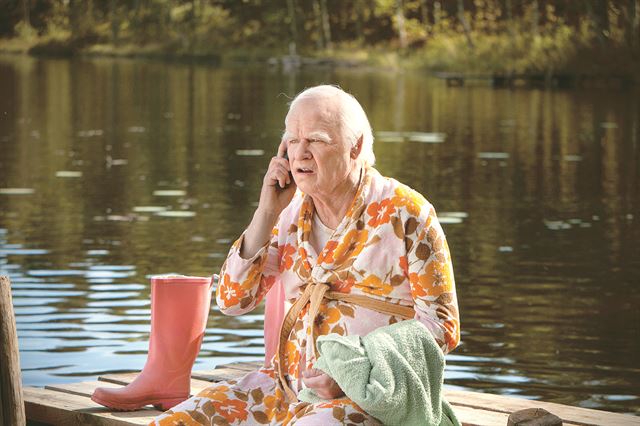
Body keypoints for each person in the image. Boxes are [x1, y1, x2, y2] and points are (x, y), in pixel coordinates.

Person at [152, 85, 460, 425]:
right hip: (282, 388)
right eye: (292, 141)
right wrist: (266, 212)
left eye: (315, 140)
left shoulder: (407, 212)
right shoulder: (288, 211)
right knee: (177, 421)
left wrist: (353, 372)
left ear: (355, 146)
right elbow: (231, 300)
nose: (300, 153)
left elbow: (442, 326)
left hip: (367, 398)